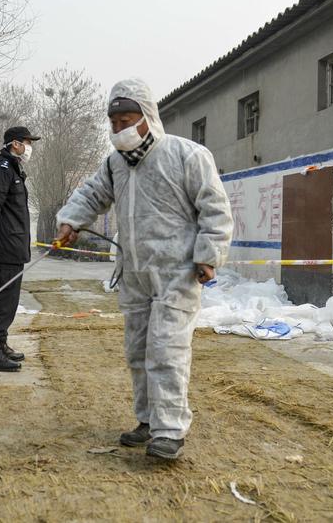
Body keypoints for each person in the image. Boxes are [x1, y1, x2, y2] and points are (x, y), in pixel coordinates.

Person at [54, 78, 233, 460]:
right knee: (137, 350)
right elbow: (92, 194)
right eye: (114, 121)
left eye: (127, 119)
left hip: (177, 272)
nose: (119, 128)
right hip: (134, 273)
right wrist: (71, 220)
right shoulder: (115, 163)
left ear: (147, 116)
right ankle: (149, 420)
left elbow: (215, 209)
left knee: (166, 350)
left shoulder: (188, 155)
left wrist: (208, 254)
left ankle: (169, 431)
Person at [0, 126, 40, 372]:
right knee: (2, 301)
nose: (29, 147)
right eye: (27, 142)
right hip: (5, 247)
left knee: (10, 301)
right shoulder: (0, 169)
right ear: (15, 144)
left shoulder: (13, 168)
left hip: (13, 247)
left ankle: (1, 344)